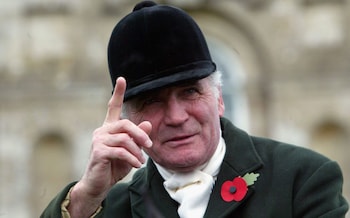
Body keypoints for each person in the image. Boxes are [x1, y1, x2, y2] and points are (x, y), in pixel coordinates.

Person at [41, 1, 348, 217]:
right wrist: (85, 197)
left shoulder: (302, 179)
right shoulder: (109, 208)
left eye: (190, 92)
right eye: (151, 101)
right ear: (127, 120)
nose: (176, 117)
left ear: (219, 98)